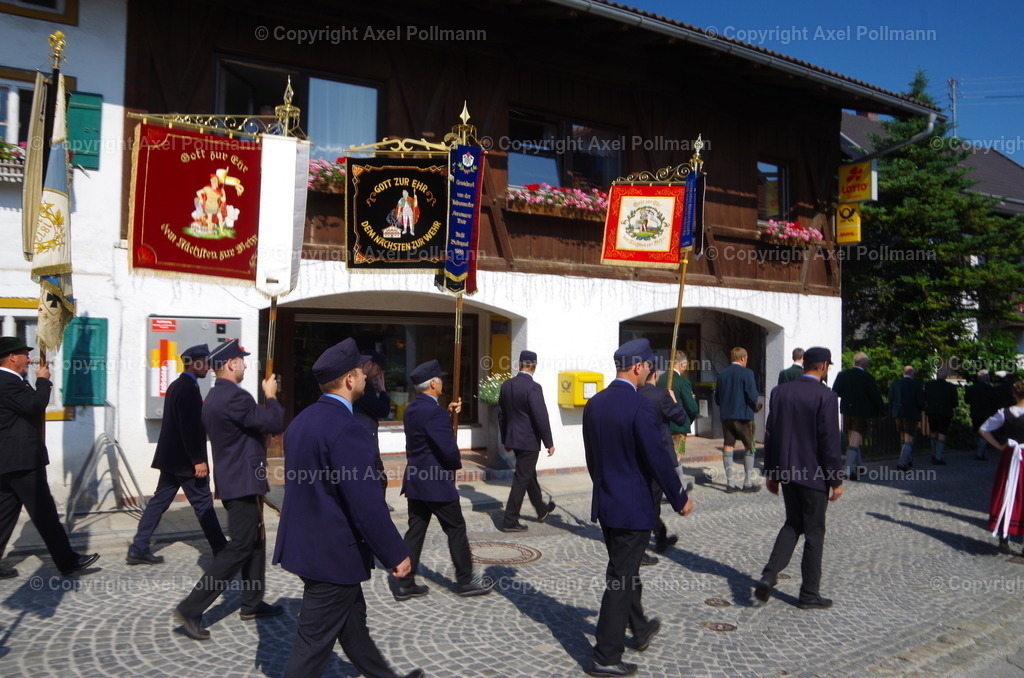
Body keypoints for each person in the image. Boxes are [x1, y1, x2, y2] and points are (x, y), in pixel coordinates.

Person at [274, 339, 423, 678]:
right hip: (332, 555)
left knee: (353, 627)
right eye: (360, 372)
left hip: (310, 549)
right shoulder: (348, 429)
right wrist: (395, 553)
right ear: (350, 380)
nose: (366, 378)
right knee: (311, 647)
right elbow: (366, 504)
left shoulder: (301, 421)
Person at [583, 338, 692, 678]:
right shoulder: (640, 406)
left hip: (607, 502)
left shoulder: (595, 403)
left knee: (623, 571)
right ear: (638, 367)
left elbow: (592, 458)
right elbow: (657, 458)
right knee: (620, 578)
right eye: (647, 367)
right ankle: (606, 656)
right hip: (633, 508)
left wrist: (605, 487)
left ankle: (640, 627)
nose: (649, 372)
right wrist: (679, 497)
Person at [174, 339, 284, 641]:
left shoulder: (214, 397)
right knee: (239, 546)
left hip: (239, 479)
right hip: (242, 481)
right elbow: (273, 421)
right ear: (231, 364)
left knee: (256, 542)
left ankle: (251, 602)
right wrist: (271, 396)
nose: (246, 365)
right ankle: (191, 608)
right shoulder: (235, 397)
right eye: (242, 361)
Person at [0, 337, 99, 578]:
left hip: (10, 461)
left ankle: (67, 561)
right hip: (22, 461)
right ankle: (68, 562)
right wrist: (43, 381)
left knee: (4, 516)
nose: (29, 359)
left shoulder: (11, 381)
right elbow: (34, 405)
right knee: (45, 515)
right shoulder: (7, 381)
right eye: (25, 354)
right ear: (12, 358)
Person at [395, 359, 492, 600]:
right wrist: (455, 465)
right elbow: (447, 449)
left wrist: (447, 415)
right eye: (440, 379)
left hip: (417, 480)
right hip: (435, 483)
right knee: (456, 528)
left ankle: (405, 582)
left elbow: (427, 436)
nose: (443, 382)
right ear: (434, 384)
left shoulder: (413, 408)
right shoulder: (433, 412)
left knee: (415, 531)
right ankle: (466, 580)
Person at [755, 347, 842, 610]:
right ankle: (809, 594)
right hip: (814, 476)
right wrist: (835, 479)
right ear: (824, 366)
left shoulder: (780, 392)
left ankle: (769, 575)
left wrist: (772, 473)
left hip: (786, 473)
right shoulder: (826, 396)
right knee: (814, 533)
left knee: (793, 524)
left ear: (805, 364)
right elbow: (829, 442)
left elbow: (770, 435)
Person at [127, 344, 227, 565]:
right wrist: (198, 460)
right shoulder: (188, 389)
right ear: (194, 363)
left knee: (159, 502)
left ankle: (138, 547)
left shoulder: (177, 385)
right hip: (186, 463)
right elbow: (188, 429)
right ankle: (221, 549)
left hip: (172, 460)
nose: (209, 367)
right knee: (203, 503)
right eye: (205, 362)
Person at [497, 349, 556, 533]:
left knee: (528, 474)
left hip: (514, 439)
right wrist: (549, 442)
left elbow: (501, 414)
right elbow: (541, 416)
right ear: (534, 366)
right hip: (529, 440)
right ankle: (510, 519)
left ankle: (541, 509)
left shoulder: (507, 385)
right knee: (522, 478)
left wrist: (506, 438)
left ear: (519, 364)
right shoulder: (533, 387)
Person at [638, 363, 689, 555]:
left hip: (638, 455)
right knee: (651, 503)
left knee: (648, 500)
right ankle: (643, 546)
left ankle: (659, 536)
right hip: (659, 456)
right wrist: (673, 401)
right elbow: (681, 418)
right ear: (656, 374)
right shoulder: (660, 396)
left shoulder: (634, 393)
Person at [980, 380, 1024, 555]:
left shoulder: (1004, 412)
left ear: (1013, 394)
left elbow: (984, 429)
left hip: (1010, 455)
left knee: (1007, 492)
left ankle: (1004, 538)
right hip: (1018, 455)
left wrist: (999, 446)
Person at [714, 347, 763, 492]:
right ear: (743, 358)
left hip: (726, 416)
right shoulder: (747, 373)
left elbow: (717, 398)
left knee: (728, 447)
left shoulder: (722, 374)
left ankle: (730, 484)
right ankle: (747, 483)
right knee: (749, 447)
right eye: (746, 358)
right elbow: (752, 395)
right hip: (744, 417)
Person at [831, 352, 885, 480]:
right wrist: (882, 412)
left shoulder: (842, 375)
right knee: (855, 441)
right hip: (861, 411)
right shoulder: (867, 377)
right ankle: (848, 470)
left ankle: (860, 466)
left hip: (846, 410)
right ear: (865, 363)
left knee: (853, 439)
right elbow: (875, 396)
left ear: (854, 362)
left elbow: (836, 391)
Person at [353, 351, 391, 493]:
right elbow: (382, 410)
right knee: (378, 482)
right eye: (378, 370)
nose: (378, 375)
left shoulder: (365, 385)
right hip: (365, 442)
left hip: (364, 440)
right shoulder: (362, 387)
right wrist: (383, 391)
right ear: (369, 365)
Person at [656, 352, 699, 457]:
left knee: (665, 455)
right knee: (677, 456)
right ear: (682, 364)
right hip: (678, 426)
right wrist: (688, 420)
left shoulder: (660, 379)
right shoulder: (683, 382)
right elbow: (692, 408)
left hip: (663, 423)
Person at [889, 365, 926, 471]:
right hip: (911, 414)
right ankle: (902, 463)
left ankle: (908, 460)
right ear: (913, 374)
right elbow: (920, 402)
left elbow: (890, 399)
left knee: (902, 437)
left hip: (897, 413)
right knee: (908, 439)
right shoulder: (917, 384)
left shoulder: (895, 384)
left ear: (903, 373)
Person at [924, 367, 959, 466]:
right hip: (944, 412)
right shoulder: (951, 387)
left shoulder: (928, 385)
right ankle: (938, 457)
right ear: (946, 376)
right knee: (942, 433)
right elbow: (955, 403)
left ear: (937, 375)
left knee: (933, 432)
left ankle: (934, 454)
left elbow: (924, 399)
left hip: (931, 412)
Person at [966, 369, 1000, 461]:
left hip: (975, 413)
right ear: (987, 378)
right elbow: (996, 402)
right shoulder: (991, 389)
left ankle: (979, 451)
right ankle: (980, 454)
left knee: (978, 432)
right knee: (985, 433)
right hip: (987, 414)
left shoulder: (972, 388)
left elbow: (967, 400)